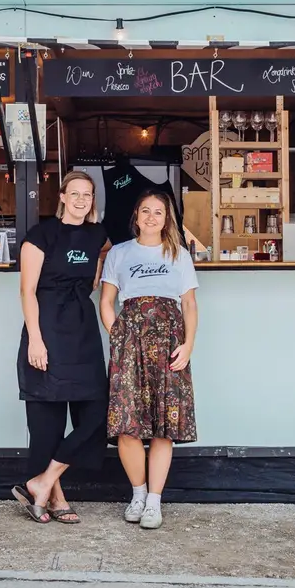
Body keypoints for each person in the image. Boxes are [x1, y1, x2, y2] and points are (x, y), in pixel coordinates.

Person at [12, 171, 110, 525]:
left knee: (98, 415)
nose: (82, 200)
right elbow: (27, 292)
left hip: (83, 330)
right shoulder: (40, 236)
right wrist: (36, 340)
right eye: (76, 194)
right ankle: (55, 495)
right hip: (48, 329)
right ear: (63, 197)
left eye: (88, 195)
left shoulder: (98, 234)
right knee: (47, 425)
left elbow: (103, 262)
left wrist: (98, 271)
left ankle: (42, 481)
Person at [100, 191, 200, 530]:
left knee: (163, 426)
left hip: (169, 344)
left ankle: (155, 502)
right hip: (129, 346)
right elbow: (107, 301)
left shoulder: (180, 255)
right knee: (127, 424)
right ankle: (138, 494)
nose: (152, 217)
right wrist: (119, 339)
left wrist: (188, 345)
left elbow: (188, 305)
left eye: (159, 212)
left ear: (167, 218)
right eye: (146, 211)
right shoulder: (119, 253)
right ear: (137, 216)